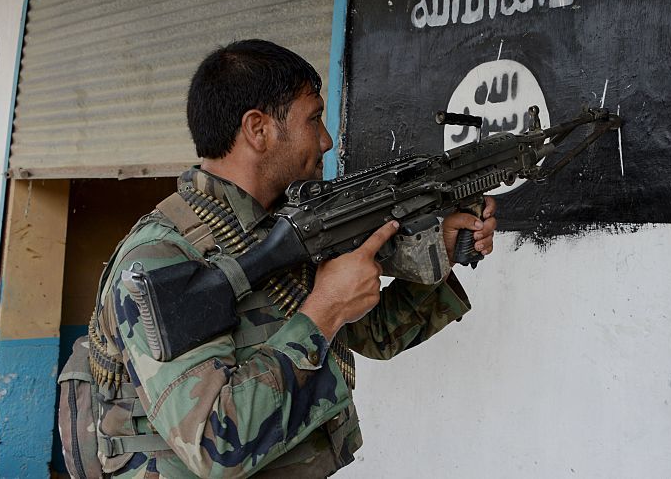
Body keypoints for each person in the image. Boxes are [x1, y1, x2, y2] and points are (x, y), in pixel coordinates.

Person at [91, 39, 497, 478]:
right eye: (313, 119)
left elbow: (375, 335)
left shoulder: (281, 227)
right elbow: (214, 444)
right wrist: (324, 310)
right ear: (258, 129)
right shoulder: (162, 257)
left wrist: (447, 249)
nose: (325, 140)